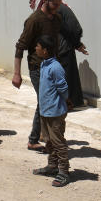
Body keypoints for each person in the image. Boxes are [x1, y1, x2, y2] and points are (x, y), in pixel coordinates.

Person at [14, 0, 64, 151]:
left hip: (52, 66)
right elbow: (20, 46)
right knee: (44, 102)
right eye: (54, 4)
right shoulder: (34, 20)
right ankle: (43, 139)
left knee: (45, 102)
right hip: (37, 67)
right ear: (45, 0)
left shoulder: (56, 19)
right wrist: (16, 74)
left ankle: (37, 138)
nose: (57, 7)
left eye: (59, 4)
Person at [32, 35, 71, 187]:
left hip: (55, 112)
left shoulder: (55, 67)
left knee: (58, 142)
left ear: (45, 50)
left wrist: (64, 102)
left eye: (38, 46)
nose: (36, 48)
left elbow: (64, 89)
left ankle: (64, 172)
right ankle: (52, 166)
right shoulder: (44, 65)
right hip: (45, 111)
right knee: (48, 141)